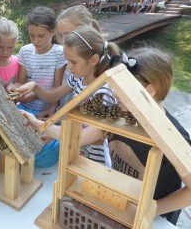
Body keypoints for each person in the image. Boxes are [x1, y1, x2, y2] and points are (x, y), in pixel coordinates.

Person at [22, 47, 191, 226]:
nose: (114, 93)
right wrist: (40, 125)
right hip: (120, 208)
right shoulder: (120, 116)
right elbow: (79, 137)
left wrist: (150, 209)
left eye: (122, 88)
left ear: (149, 90)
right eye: (115, 86)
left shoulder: (174, 137)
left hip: (154, 220)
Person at [16, 26, 120, 166]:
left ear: (94, 60)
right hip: (74, 156)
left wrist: (40, 125)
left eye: (73, 62)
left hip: (94, 164)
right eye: (67, 61)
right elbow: (51, 97)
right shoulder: (77, 78)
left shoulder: (104, 94)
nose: (69, 67)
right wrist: (34, 85)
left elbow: (90, 137)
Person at [8, 6, 67, 119]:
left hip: (45, 112)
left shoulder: (59, 53)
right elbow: (21, 82)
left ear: (53, 32)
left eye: (41, 36)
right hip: (24, 108)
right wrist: (13, 88)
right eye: (32, 35)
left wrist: (37, 97)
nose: (35, 40)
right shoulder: (25, 51)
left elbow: (58, 87)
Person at [0, 17, 20, 87]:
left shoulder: (19, 63)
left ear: (16, 43)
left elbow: (21, 83)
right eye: (0, 47)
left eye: (10, 47)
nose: (5, 52)